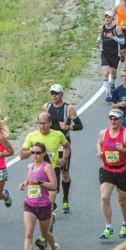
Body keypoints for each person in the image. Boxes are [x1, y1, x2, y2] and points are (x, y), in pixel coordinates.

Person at [20, 113, 70, 250]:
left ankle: (43, 239)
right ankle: (49, 223)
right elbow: (21, 155)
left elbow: (67, 147)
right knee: (43, 207)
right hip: (37, 175)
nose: (42, 126)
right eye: (39, 123)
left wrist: (64, 158)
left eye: (44, 123)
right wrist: (32, 151)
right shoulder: (32, 136)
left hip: (52, 172)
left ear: (50, 123)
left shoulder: (58, 135)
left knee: (50, 204)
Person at [19, 142, 59, 250]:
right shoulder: (30, 166)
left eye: (38, 153)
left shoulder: (47, 167)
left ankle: (53, 248)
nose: (35, 155)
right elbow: (30, 179)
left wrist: (39, 182)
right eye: (33, 153)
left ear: (43, 153)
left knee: (45, 234)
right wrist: (25, 184)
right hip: (29, 204)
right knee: (29, 233)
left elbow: (54, 185)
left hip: (43, 205)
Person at [97, 108, 126, 240]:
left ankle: (125, 223)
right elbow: (99, 143)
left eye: (116, 118)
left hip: (122, 170)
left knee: (122, 200)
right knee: (104, 197)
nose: (113, 121)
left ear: (121, 120)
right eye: (111, 118)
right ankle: (108, 227)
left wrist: (124, 150)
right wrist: (100, 152)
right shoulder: (103, 133)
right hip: (107, 169)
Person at [43, 85, 83, 214]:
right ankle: (52, 201)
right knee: (50, 172)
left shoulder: (68, 108)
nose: (54, 96)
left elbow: (80, 126)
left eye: (56, 93)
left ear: (62, 94)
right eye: (52, 93)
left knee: (64, 172)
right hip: (49, 145)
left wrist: (67, 127)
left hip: (62, 144)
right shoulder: (46, 107)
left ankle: (65, 199)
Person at [97, 10, 125, 102]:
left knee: (113, 74)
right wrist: (97, 42)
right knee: (105, 73)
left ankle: (112, 84)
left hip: (114, 54)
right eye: (106, 17)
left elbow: (122, 41)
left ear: (112, 18)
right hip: (105, 53)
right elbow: (100, 36)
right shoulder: (102, 28)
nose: (107, 19)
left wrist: (113, 38)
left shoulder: (117, 29)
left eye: (109, 17)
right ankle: (108, 94)